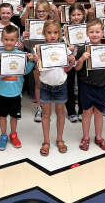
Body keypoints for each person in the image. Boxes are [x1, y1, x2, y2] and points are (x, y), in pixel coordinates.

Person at [0, 25, 36, 150]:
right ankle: (3, 135)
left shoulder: (21, 54)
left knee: (14, 116)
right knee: (2, 115)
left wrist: (31, 62)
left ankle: (13, 134)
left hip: (16, 92)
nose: (9, 42)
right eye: (6, 39)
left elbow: (25, 71)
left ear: (17, 41)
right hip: (2, 92)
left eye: (12, 40)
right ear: (2, 39)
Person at [34, 20, 76, 156]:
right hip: (45, 86)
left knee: (60, 113)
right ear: (44, 33)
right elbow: (37, 69)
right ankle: (46, 141)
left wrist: (72, 62)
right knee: (46, 114)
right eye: (49, 32)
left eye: (55, 32)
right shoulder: (38, 49)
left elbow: (67, 69)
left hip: (61, 86)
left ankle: (59, 139)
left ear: (60, 33)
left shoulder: (64, 48)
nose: (52, 35)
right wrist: (35, 60)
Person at [74, 19, 105, 151]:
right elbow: (77, 68)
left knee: (99, 113)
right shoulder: (83, 49)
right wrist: (81, 59)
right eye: (91, 32)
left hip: (102, 86)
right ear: (87, 33)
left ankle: (99, 137)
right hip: (86, 85)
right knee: (86, 113)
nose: (95, 34)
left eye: (97, 32)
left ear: (102, 33)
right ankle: (85, 137)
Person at [0, 3, 22, 119]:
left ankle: (16, 105)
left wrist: (19, 45)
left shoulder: (15, 27)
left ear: (12, 14)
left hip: (13, 58)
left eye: (8, 13)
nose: (5, 15)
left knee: (12, 80)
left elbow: (18, 46)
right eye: (3, 12)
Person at [22, 0, 52, 122]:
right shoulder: (31, 24)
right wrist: (24, 37)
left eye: (44, 11)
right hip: (36, 58)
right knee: (38, 84)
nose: (41, 13)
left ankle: (47, 109)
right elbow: (28, 46)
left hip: (50, 58)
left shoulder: (52, 24)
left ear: (48, 12)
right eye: (39, 11)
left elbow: (58, 39)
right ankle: (39, 107)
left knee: (48, 84)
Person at [64, 3, 86, 123]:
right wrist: (68, 47)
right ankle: (71, 111)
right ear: (69, 16)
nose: (76, 17)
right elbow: (61, 45)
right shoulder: (65, 30)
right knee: (69, 86)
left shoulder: (86, 28)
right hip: (70, 58)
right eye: (73, 15)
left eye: (79, 14)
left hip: (83, 58)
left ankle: (82, 111)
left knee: (83, 85)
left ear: (83, 15)